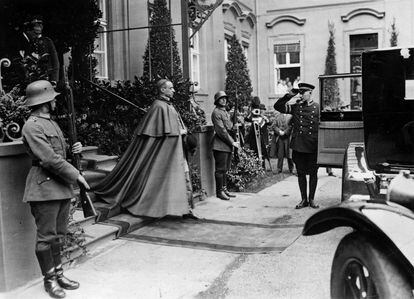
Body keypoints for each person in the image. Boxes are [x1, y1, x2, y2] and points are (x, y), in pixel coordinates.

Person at [22, 80, 89, 298]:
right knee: (46, 237)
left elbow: (58, 152)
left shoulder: (50, 122)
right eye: (53, 98)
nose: (55, 101)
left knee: (58, 235)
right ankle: (49, 280)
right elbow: (49, 159)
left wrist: (73, 148)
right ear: (45, 101)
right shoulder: (32, 125)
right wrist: (76, 175)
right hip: (43, 187)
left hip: (59, 186)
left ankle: (59, 274)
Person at [94, 79, 195, 218]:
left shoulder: (169, 105)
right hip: (168, 153)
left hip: (177, 150)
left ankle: (187, 209)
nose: (174, 90)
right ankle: (182, 209)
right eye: (170, 88)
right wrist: (179, 133)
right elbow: (158, 135)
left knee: (185, 177)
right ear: (162, 90)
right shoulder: (158, 106)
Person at [274, 83, 320, 209]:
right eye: (300, 92)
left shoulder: (317, 108)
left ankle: (312, 199)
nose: (301, 94)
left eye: (303, 92)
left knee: (313, 173)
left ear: (310, 92)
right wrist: (289, 95)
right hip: (299, 146)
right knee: (301, 173)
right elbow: (277, 106)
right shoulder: (296, 107)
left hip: (312, 146)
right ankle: (303, 199)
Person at [211, 91, 240, 201]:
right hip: (220, 145)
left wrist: (234, 126)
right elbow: (221, 131)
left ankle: (224, 189)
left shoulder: (225, 112)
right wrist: (232, 142)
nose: (224, 100)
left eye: (225, 98)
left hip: (226, 145)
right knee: (220, 169)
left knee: (225, 169)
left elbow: (229, 127)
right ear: (217, 101)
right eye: (221, 98)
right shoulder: (216, 113)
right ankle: (219, 192)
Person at [15, 15, 60, 85]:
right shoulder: (28, 43)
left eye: (39, 25)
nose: (38, 27)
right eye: (35, 25)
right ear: (32, 27)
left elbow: (55, 61)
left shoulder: (47, 41)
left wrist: (54, 79)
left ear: (42, 27)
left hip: (47, 78)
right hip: (32, 79)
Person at [270, 109, 294, 174]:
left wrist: (285, 132)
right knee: (280, 153)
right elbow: (274, 126)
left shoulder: (291, 116)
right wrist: (279, 131)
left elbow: (291, 126)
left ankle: (291, 169)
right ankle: (279, 169)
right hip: (280, 138)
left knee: (289, 153)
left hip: (288, 137)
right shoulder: (278, 116)